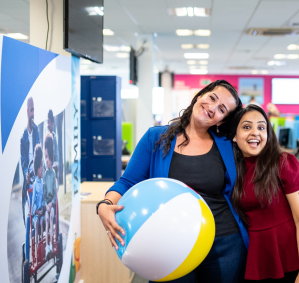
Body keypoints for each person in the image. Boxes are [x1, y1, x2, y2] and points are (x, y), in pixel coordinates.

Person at [97, 80, 255, 282]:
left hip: (224, 244)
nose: (212, 108)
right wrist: (106, 204)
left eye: (222, 109)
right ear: (200, 95)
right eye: (212, 98)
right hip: (170, 243)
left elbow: (260, 162)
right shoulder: (156, 138)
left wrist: (293, 181)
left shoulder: (227, 146)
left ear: (221, 121)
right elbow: (128, 181)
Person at [230, 105, 299, 283]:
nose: (255, 133)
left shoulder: (283, 163)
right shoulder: (232, 170)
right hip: (257, 256)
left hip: (292, 256)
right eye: (246, 127)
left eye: (261, 127)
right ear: (234, 135)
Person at [20, 97, 41, 224]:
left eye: (34, 110)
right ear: (27, 111)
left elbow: (39, 152)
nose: (33, 114)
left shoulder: (36, 130)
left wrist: (36, 170)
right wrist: (26, 174)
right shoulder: (22, 137)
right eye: (31, 110)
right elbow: (23, 160)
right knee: (27, 210)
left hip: (36, 173)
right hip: (28, 177)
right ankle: (28, 234)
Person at [43, 133, 57, 257]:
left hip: (51, 204)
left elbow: (54, 191)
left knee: (51, 216)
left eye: (48, 158)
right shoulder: (44, 174)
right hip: (45, 204)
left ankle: (52, 244)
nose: (47, 160)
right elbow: (43, 192)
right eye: (45, 157)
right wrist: (45, 204)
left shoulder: (52, 174)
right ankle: (47, 246)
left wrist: (51, 202)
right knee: (47, 218)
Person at [31, 144, 45, 264]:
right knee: (36, 221)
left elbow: (44, 199)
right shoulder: (35, 184)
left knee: (41, 221)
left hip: (42, 212)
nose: (42, 169)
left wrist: (42, 209)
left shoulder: (43, 184)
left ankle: (41, 244)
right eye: (41, 167)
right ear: (37, 168)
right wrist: (36, 211)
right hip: (36, 213)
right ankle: (36, 248)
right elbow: (33, 203)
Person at [47, 110, 59, 174]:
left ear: (52, 123)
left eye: (49, 122)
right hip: (46, 167)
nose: (47, 125)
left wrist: (55, 163)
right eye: (47, 122)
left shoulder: (54, 137)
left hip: (53, 166)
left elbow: (56, 151)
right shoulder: (46, 136)